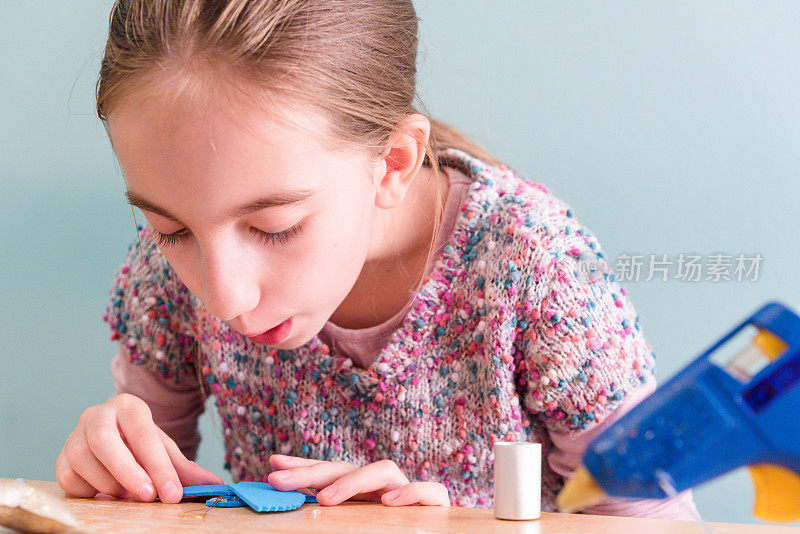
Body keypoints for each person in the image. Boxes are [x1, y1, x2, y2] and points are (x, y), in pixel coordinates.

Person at [56, 0, 698, 517]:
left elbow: (656, 521)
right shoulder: (163, 275)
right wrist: (114, 465)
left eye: (275, 228)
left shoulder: (538, 267)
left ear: (392, 163)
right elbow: (157, 503)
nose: (225, 299)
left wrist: (457, 525)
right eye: (170, 228)